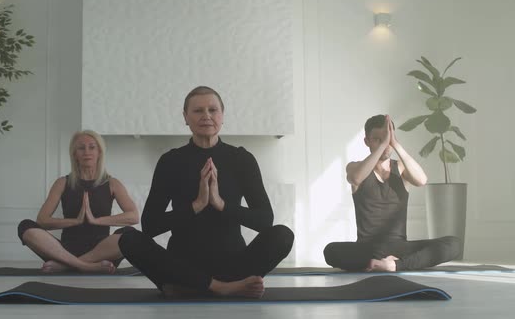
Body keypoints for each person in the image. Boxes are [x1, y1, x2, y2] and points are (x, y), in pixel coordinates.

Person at [117, 86, 294, 298]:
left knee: (283, 235)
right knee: (127, 239)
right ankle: (221, 288)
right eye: (198, 111)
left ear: (222, 115)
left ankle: (200, 287)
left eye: (213, 110)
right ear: (185, 117)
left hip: (233, 265)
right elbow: (150, 225)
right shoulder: (171, 161)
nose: (206, 116)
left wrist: (221, 204)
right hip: (183, 265)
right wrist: (197, 206)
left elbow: (265, 221)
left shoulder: (241, 159)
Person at [323, 114, 461, 272]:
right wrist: (383, 144)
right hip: (366, 248)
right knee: (330, 251)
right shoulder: (355, 167)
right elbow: (355, 178)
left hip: (399, 248)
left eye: (388, 139)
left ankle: (394, 264)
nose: (385, 144)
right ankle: (389, 262)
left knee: (454, 243)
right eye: (377, 139)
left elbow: (422, 180)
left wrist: (394, 143)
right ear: (366, 141)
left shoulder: (402, 168)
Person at [17, 130, 139, 273]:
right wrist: (76, 221)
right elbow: (42, 220)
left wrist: (96, 220)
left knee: (130, 234)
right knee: (25, 226)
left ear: (99, 152)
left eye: (92, 147)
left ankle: (66, 266)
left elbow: (134, 216)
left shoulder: (112, 183)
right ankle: (86, 266)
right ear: (75, 154)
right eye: (81, 148)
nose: (87, 152)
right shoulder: (62, 183)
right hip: (64, 251)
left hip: (102, 252)